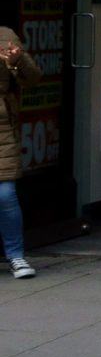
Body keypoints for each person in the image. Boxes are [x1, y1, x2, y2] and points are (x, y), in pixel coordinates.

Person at [0, 26, 44, 279]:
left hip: (2, 127)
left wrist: (16, 61)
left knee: (5, 195)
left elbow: (33, 78)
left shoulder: (5, 35)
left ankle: (15, 255)